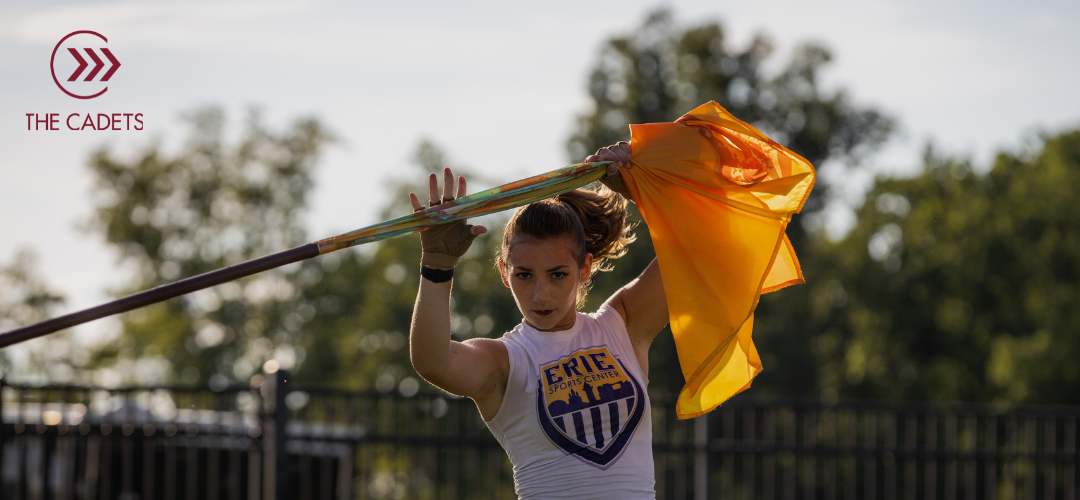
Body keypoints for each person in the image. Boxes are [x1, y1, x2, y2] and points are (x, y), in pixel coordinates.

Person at [408, 141, 669, 499]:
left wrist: (641, 191)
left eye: (557, 275)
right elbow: (433, 361)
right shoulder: (506, 361)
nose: (540, 295)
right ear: (504, 273)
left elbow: (699, 238)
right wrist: (437, 266)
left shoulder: (622, 324)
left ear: (584, 269)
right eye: (525, 275)